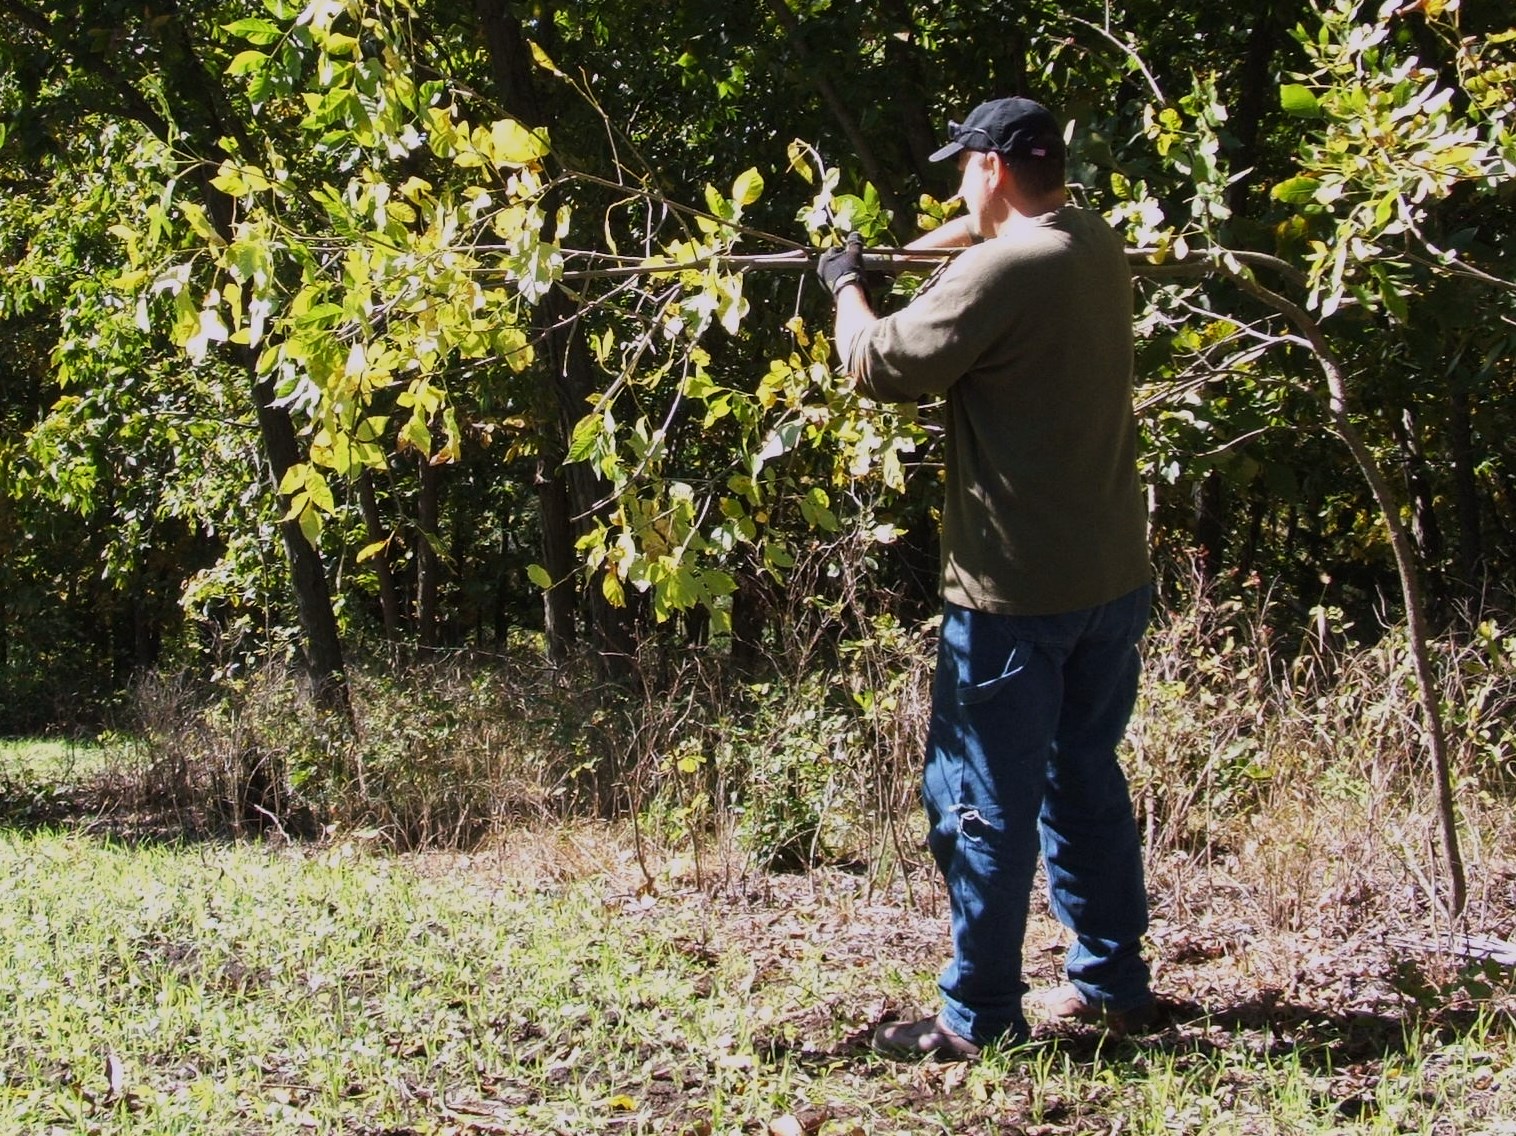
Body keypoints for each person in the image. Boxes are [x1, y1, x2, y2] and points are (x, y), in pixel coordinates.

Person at [815, 96, 1156, 1059]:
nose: (957, 182)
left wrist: (848, 287)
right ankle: (1114, 984)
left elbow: (880, 364)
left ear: (994, 167)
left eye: (964, 165)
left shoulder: (1005, 271)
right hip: (1109, 576)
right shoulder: (1089, 238)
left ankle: (977, 1016)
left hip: (1015, 594)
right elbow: (980, 235)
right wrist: (892, 258)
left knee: (980, 801)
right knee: (1083, 775)